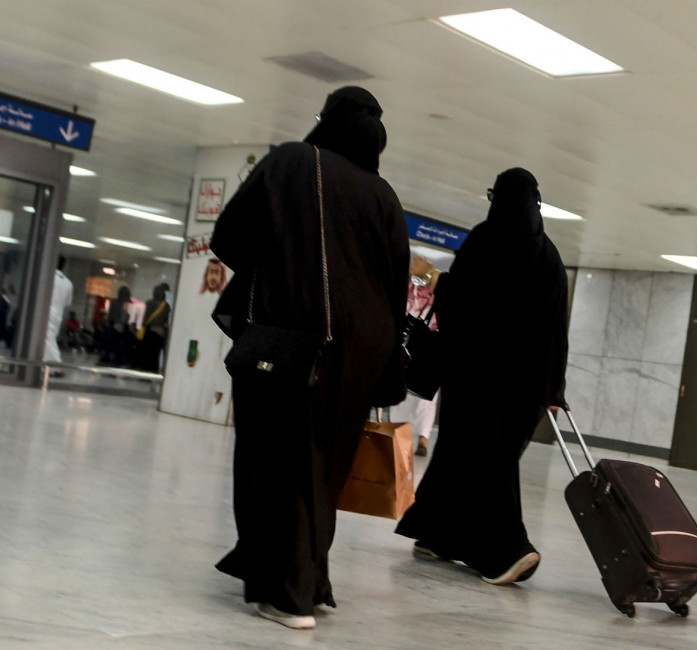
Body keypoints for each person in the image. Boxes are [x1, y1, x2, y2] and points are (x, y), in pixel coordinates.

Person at [210, 86, 409, 630]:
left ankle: (289, 594)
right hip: (363, 349)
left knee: (278, 458)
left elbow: (228, 235)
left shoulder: (295, 161)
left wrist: (280, 263)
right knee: (323, 466)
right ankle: (310, 579)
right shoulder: (384, 195)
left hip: (296, 337)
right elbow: (395, 287)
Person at [395, 168, 570, 586]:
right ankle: (435, 534)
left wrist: (446, 288)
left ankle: (507, 551)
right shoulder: (550, 258)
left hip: (474, 378)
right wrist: (553, 389)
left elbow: (458, 306)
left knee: (476, 460)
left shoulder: (485, 241)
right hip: (523, 390)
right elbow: (555, 332)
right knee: (482, 458)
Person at [392, 262, 440, 457]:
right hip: (430, 349)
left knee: (402, 394)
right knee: (426, 401)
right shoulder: (437, 291)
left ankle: (402, 436)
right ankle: (422, 438)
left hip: (409, 346)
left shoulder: (408, 287)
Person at [43, 256, 74, 372]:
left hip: (46, 311)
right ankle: (46, 368)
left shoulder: (48, 278)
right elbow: (67, 303)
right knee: (50, 338)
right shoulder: (68, 283)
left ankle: (56, 366)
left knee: (47, 339)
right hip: (58, 314)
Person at [136, 283, 170, 373]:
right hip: (159, 333)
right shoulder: (165, 305)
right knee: (155, 355)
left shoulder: (148, 303)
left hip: (147, 331)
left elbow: (143, 318)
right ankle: (152, 373)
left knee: (145, 354)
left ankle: (143, 371)